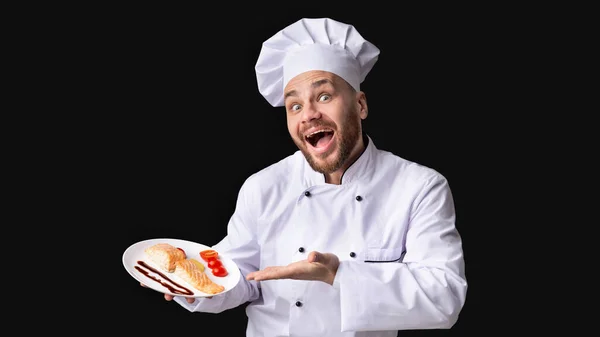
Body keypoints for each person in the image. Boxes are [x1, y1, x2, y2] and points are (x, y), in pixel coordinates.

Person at [142, 17, 467, 336]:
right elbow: (239, 277)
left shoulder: (418, 187)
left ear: (361, 104)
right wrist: (192, 287)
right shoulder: (264, 187)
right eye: (294, 105)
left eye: (324, 96)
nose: (309, 114)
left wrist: (338, 274)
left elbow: (445, 296)